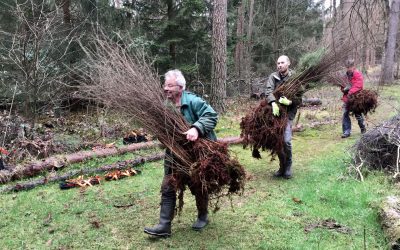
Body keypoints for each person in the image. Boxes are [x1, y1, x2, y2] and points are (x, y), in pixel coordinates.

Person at [144, 69, 218, 237]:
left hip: (196, 152)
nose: (166, 89)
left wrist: (196, 128)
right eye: (165, 85)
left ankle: (203, 216)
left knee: (197, 184)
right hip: (174, 152)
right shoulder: (165, 105)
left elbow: (212, 116)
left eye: (170, 85)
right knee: (168, 185)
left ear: (180, 87)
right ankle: (164, 226)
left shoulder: (193, 101)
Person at [265, 55, 302, 179]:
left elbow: (300, 97)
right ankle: (282, 166)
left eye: (282, 63)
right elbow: (268, 91)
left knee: (286, 140)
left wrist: (290, 102)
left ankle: (288, 165)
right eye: (278, 63)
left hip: (288, 113)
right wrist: (273, 103)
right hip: (275, 113)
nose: (279, 65)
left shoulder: (295, 78)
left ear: (288, 63)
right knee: (277, 141)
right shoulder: (273, 76)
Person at [340, 59, 366, 138]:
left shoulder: (357, 74)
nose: (349, 69)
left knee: (358, 114)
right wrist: (343, 89)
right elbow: (342, 86)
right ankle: (346, 131)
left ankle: (363, 128)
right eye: (347, 67)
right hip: (347, 98)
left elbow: (359, 85)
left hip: (356, 98)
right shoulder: (345, 75)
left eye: (350, 67)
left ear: (353, 66)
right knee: (345, 113)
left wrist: (350, 91)